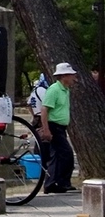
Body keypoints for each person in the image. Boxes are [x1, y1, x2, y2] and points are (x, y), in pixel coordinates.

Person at [40, 62, 78, 193]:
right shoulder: (54, 89)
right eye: (71, 75)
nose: (74, 77)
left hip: (61, 127)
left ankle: (52, 183)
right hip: (53, 126)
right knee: (66, 153)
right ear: (64, 76)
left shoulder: (65, 90)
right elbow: (44, 110)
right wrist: (46, 129)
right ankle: (62, 182)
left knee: (57, 155)